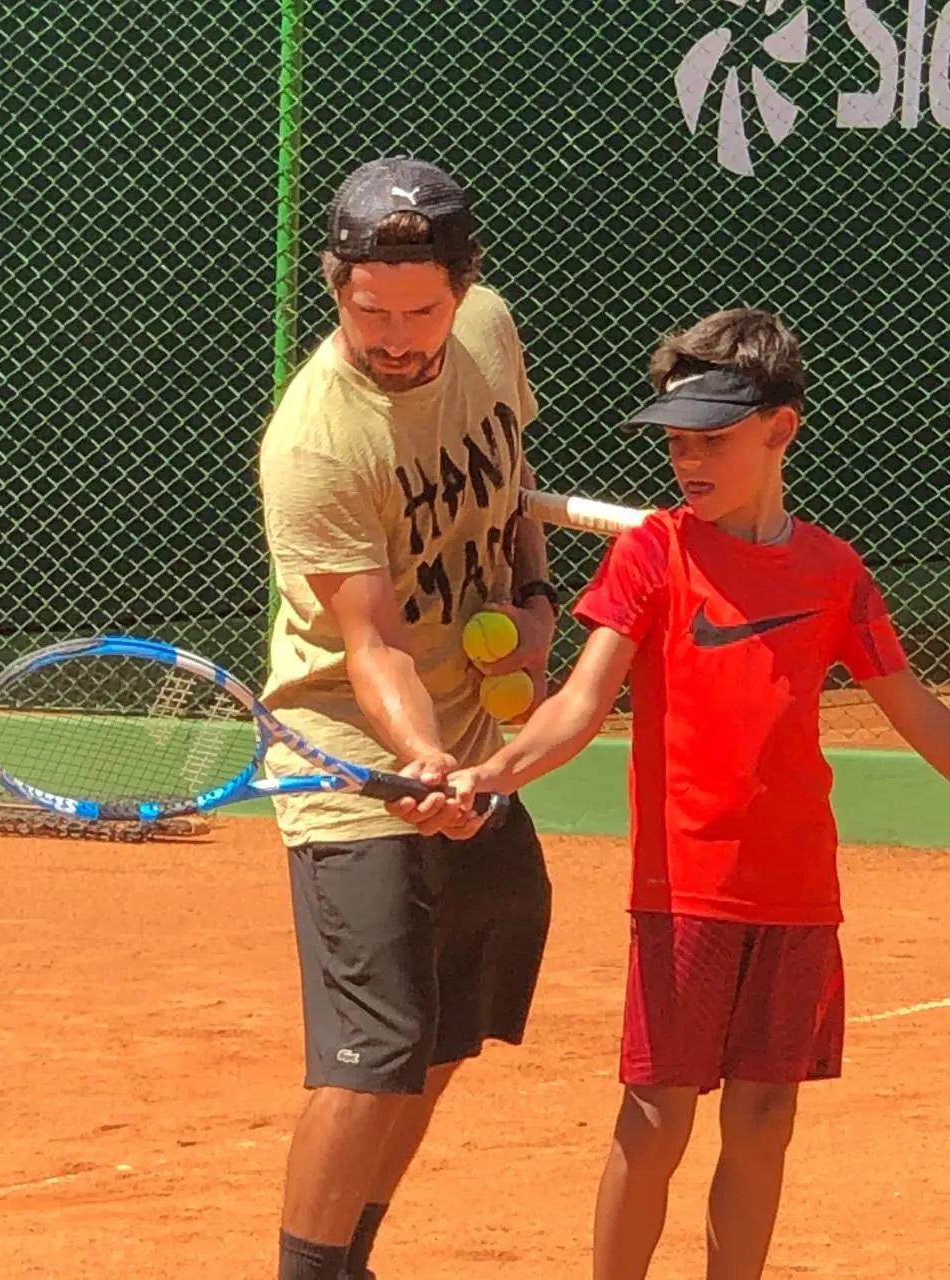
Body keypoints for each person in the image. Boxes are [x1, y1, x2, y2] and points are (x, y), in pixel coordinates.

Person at [442, 308, 950, 1279]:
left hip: (799, 894)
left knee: (765, 1117)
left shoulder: (836, 571)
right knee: (655, 1114)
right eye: (677, 442)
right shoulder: (655, 555)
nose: (688, 461)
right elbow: (581, 702)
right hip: (684, 896)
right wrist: (490, 771)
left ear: (780, 429)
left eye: (712, 438)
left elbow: (921, 714)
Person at [258, 155, 555, 1280]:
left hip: (472, 745)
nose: (392, 334)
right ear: (337, 285)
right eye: (365, 309)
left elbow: (511, 482)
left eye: (418, 310)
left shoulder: (487, 329)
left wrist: (530, 601)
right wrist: (423, 755)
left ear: (462, 287)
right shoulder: (317, 440)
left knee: (446, 1028)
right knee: (372, 1046)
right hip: (351, 755)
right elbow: (368, 641)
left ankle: (351, 1258)